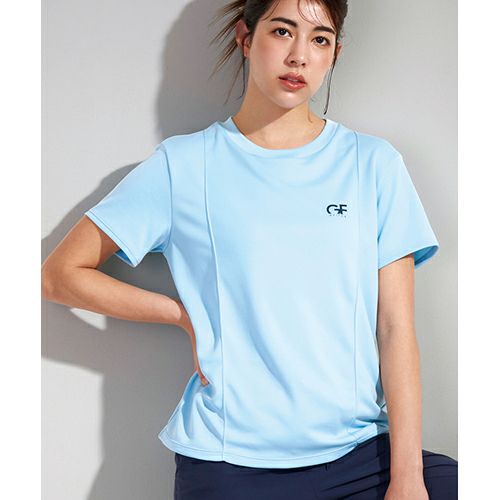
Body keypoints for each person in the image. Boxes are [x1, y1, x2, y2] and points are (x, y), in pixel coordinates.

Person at [41, 0, 458, 498]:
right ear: (245, 38)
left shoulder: (373, 165)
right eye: (282, 31)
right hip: (230, 465)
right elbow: (58, 275)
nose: (299, 55)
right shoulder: (185, 165)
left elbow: (394, 328)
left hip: (358, 455)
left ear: (334, 54)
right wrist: (180, 314)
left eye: (319, 39)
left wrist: (407, 477)